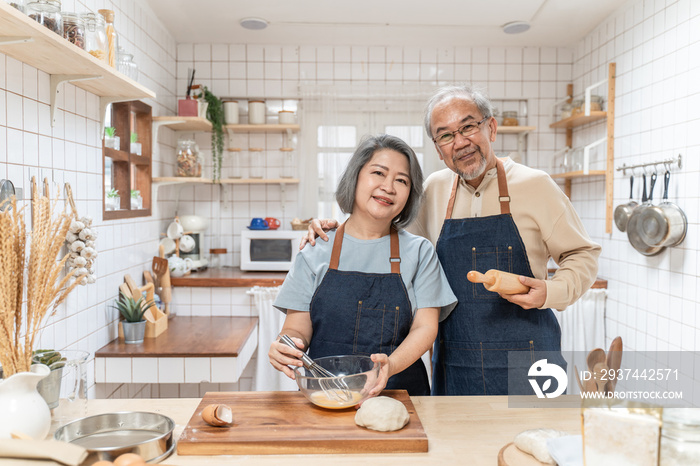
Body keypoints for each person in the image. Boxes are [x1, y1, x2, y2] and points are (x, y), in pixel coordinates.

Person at [304, 85, 601, 396]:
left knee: (537, 442)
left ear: (491, 127)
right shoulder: (433, 189)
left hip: (532, 356)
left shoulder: (535, 185)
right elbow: (391, 240)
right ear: (438, 148)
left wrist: (551, 292)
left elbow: (583, 254)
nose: (460, 142)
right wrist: (336, 232)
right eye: (445, 135)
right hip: (457, 361)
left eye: (468, 126)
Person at [269, 134, 457, 397]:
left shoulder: (420, 252)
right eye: (378, 173)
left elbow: (425, 328)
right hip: (326, 395)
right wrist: (286, 344)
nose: (388, 187)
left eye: (401, 180)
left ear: (409, 195)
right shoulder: (316, 248)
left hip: (401, 393)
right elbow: (296, 327)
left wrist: (388, 367)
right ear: (355, 177)